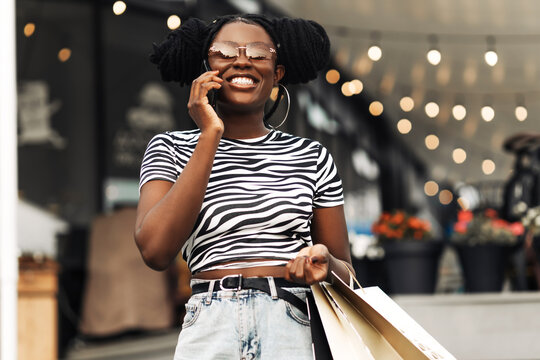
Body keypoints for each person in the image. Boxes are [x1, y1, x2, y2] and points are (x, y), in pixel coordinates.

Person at [135, 13, 354, 359]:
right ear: (204, 66)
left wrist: (326, 262)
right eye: (224, 51)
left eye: (258, 53)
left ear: (277, 72)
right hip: (209, 325)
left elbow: (347, 275)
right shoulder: (170, 148)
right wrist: (210, 134)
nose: (241, 60)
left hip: (291, 325)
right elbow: (155, 251)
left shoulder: (311, 155)